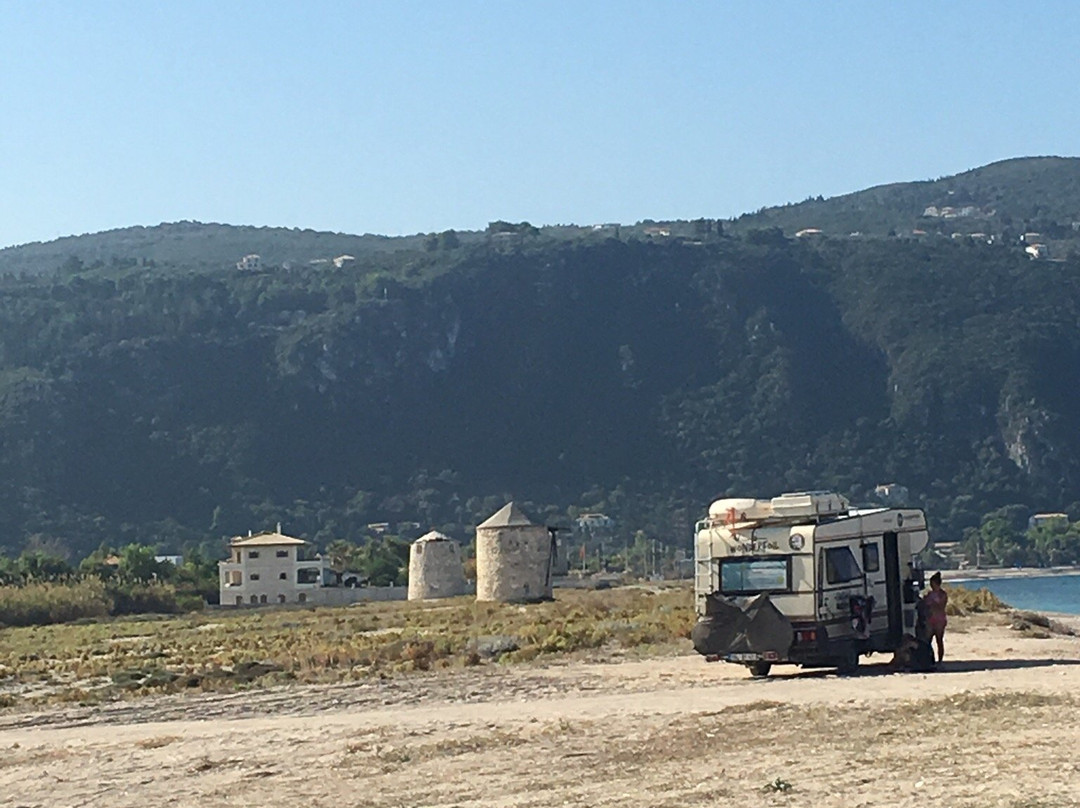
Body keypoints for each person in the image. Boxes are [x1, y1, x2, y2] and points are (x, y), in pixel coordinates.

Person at [922, 572, 948, 663]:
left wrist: (932, 604)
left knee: (939, 640)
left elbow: (941, 606)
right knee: (927, 640)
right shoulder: (930, 594)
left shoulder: (942, 594)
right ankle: (929, 658)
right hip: (931, 618)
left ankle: (940, 660)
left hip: (939, 619)